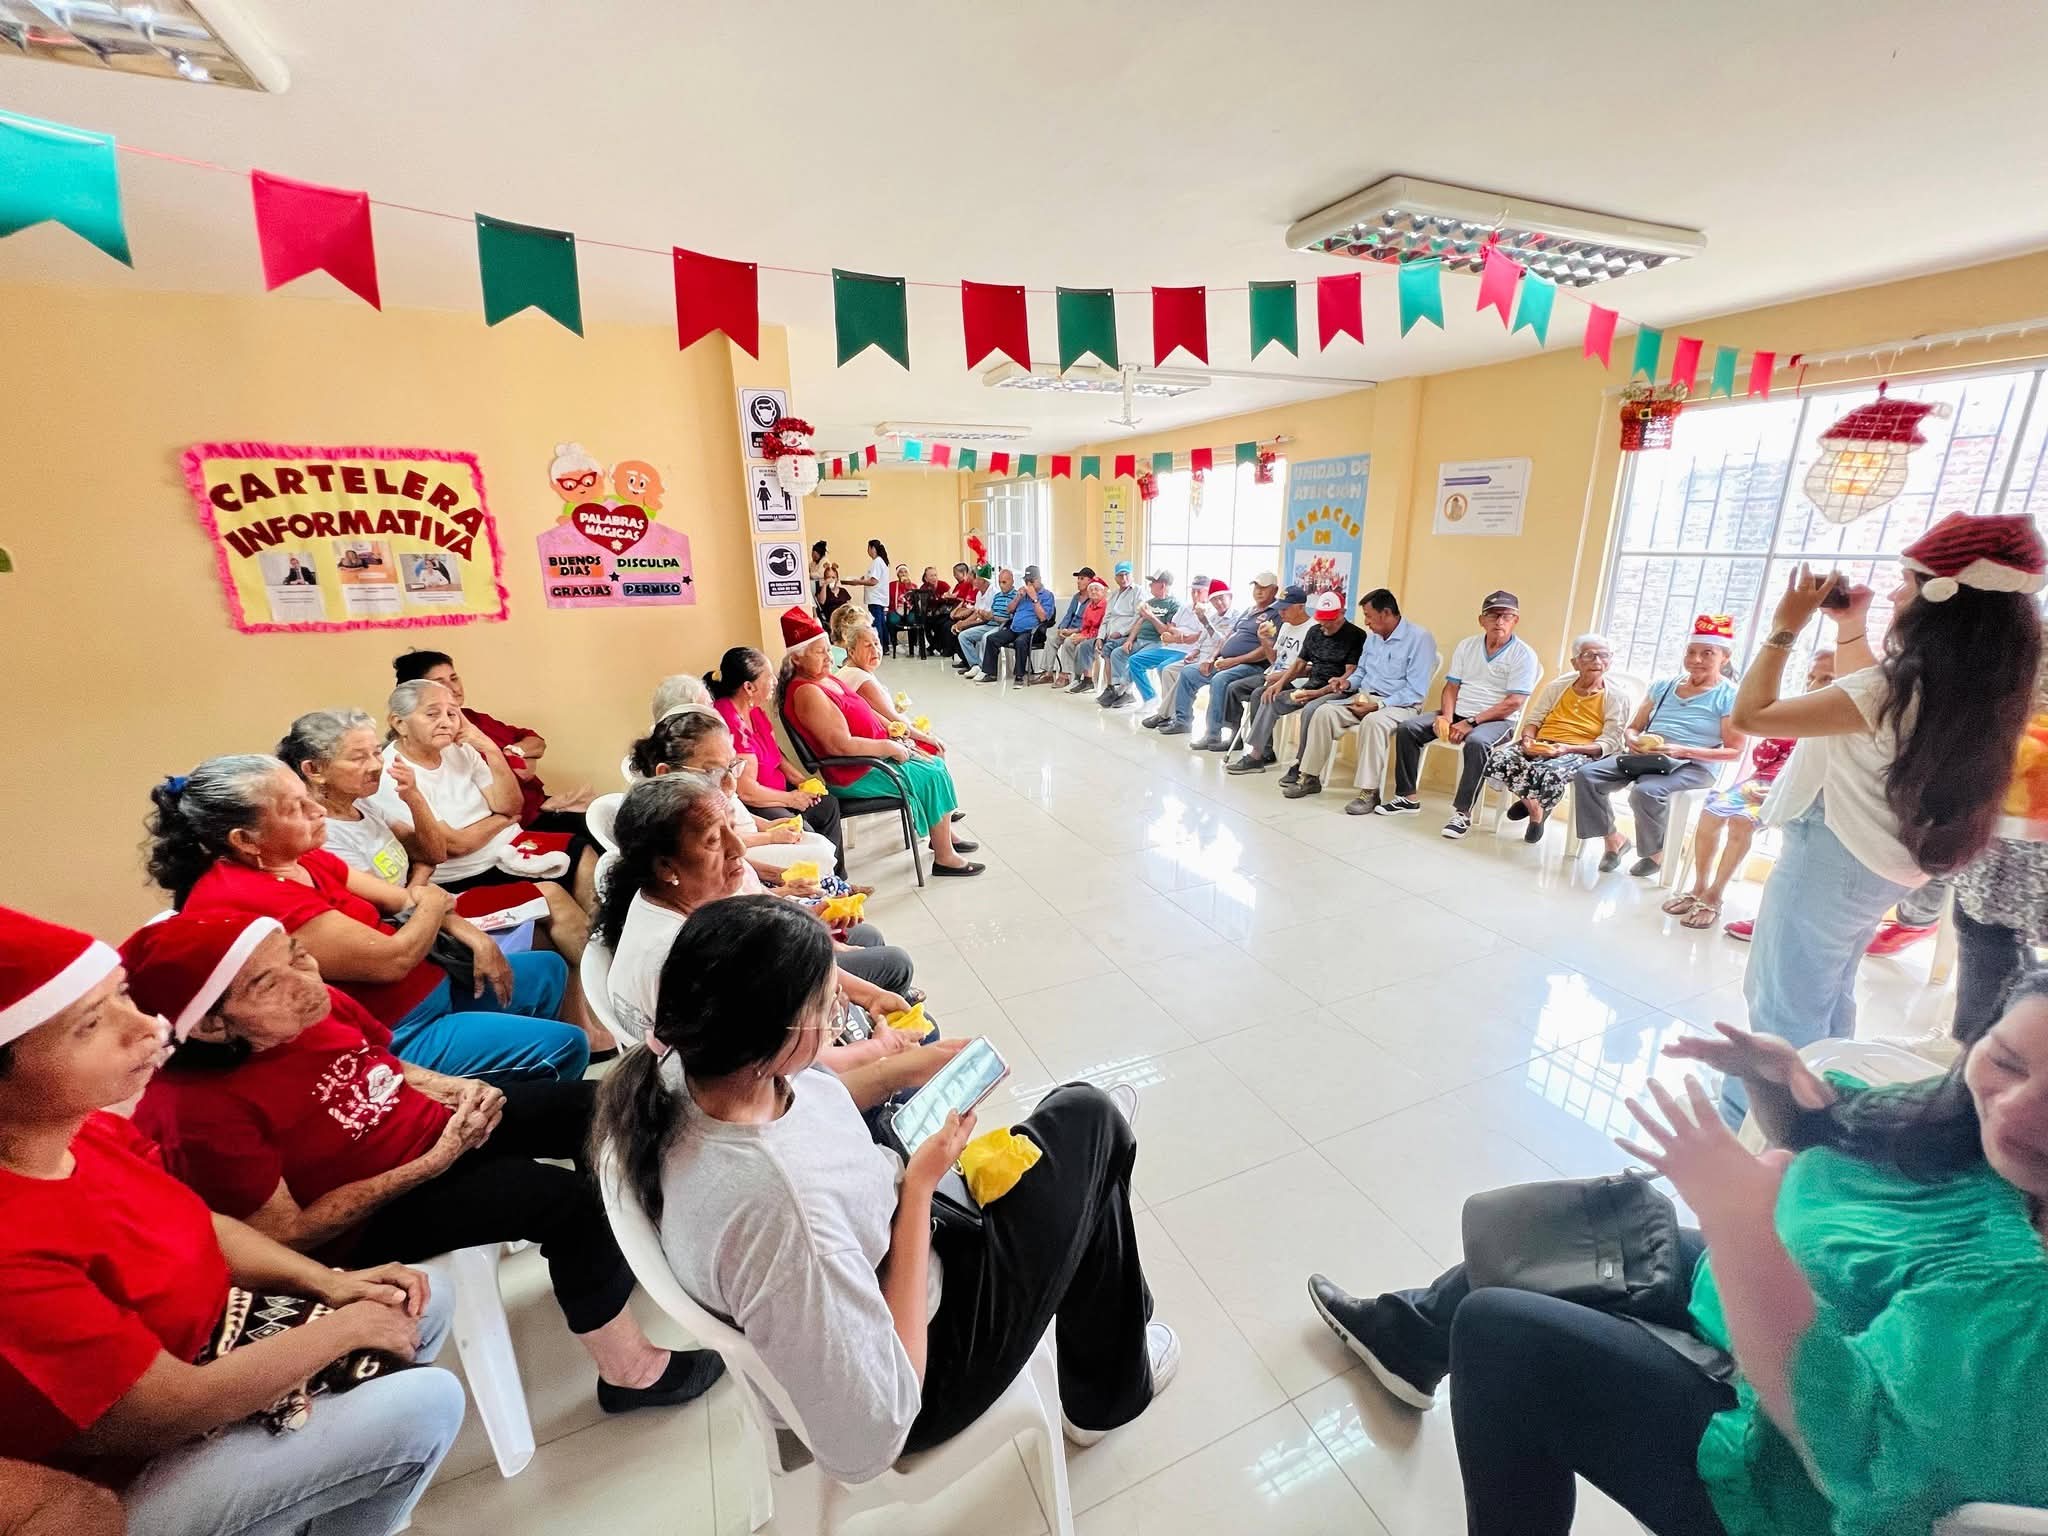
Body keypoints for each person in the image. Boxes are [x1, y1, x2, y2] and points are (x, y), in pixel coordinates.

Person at [1305, 988, 2048, 1536]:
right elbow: (1840, 1133)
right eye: (2007, 1061)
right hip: (1792, 1300)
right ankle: (1406, 1339)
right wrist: (1773, 1079)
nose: (2016, 1107)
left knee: (1501, 1334)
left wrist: (1741, 1229)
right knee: (1582, 1234)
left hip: (1786, 1474)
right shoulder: (1972, 1129)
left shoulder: (2019, 1304)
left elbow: (1863, 1467)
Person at [592, 894, 1181, 1481]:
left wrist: (906, 1068)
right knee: (1092, 1120)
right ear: (774, 1039)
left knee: (1082, 1144)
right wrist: (919, 1189)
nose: (839, 1017)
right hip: (926, 1364)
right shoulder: (786, 1218)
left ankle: (1116, 1321)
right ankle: (1109, 1394)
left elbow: (810, 1111)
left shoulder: (693, 1067)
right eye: (828, 1008)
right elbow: (875, 1434)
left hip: (885, 1249)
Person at [124, 914, 723, 1421]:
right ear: (211, 1024)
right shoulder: (195, 1111)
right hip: (371, 1215)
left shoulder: (310, 1005)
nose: (305, 978)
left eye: (297, 953)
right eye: (266, 982)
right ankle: (629, 1372)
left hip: (434, 1134)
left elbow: (387, 1065)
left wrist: (457, 1089)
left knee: (604, 1108)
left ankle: (637, 1253)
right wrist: (435, 1162)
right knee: (568, 1204)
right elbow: (289, 1234)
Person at [0, 904, 465, 1536]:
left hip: (205, 1339)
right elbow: (162, 1410)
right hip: (116, 1476)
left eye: (123, 996)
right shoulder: (12, 1246)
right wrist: (344, 1329)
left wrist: (329, 1284)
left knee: (415, 1301)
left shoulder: (88, 1133)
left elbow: (200, 1223)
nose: (145, 1026)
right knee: (424, 1403)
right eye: (90, 1025)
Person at [1728, 517, 2045, 1119]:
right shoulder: (1981, 681)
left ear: (1941, 598)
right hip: (1885, 858)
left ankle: (1763, 1133)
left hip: (1833, 857)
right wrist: (1851, 624)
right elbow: (1862, 697)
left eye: (1907, 583)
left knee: (1780, 1006)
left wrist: (1784, 628)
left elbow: (1751, 715)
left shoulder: (1893, 687)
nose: (1896, 595)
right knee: (1827, 993)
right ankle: (1825, 1112)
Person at [150, 754, 596, 1080]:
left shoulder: (297, 857)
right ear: (244, 840)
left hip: (431, 982)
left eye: (306, 798)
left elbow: (402, 898)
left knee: (547, 969)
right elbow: (393, 958)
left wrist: (473, 936)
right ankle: (517, 1110)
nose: (318, 811)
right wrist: (432, 903)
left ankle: (513, 1089)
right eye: (295, 809)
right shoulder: (252, 895)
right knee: (566, 1045)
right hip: (395, 1029)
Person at [594, 774, 922, 1045]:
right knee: (919, 1034)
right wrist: (877, 1053)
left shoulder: (681, 902)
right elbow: (766, 1071)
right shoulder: (693, 957)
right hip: (742, 1084)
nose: (738, 847)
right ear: (665, 867)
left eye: (731, 828)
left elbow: (774, 952)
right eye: (713, 840)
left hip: (762, 1057)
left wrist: (869, 995)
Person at [367, 678, 603, 918]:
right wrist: (501, 821)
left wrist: (489, 747)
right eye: (432, 714)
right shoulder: (393, 773)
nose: (446, 722)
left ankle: (606, 934)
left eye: (452, 713)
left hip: (509, 846)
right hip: (467, 872)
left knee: (582, 851)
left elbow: (511, 805)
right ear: (400, 723)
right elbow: (454, 845)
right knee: (550, 895)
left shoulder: (459, 748)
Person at [780, 608, 985, 877]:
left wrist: (895, 734)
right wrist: (890, 747)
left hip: (869, 759)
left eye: (829, 650)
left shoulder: (823, 679)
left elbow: (865, 710)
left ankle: (942, 842)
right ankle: (945, 857)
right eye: (820, 652)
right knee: (933, 773)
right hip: (854, 772)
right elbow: (840, 746)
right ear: (796, 658)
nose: (829, 657)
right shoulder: (808, 692)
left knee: (933, 763)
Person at [1661, 649, 1836, 929]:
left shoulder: (1844, 723)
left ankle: (1715, 895)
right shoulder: (1796, 713)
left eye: (1827, 679)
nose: (1813, 686)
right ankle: (1699, 887)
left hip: (1804, 793)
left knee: (1742, 821)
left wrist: (1783, 792)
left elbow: (1831, 775)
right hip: (1762, 781)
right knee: (1711, 812)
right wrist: (1777, 733)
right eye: (1810, 677)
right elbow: (1762, 759)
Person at [1574, 614, 1745, 873]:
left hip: (1694, 766)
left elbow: (1735, 752)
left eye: (1707, 653)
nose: (1696, 659)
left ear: (1725, 658)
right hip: (1648, 757)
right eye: (1691, 652)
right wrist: (1632, 739)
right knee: (1587, 775)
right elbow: (1634, 727)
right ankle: (1614, 840)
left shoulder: (1729, 695)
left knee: (1646, 791)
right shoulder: (1663, 686)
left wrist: (1683, 750)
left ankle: (1656, 855)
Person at [1384, 589, 1542, 837]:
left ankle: (1462, 813)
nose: (1499, 621)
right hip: (1459, 713)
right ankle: (1407, 797)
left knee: (1477, 743)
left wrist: (1471, 722)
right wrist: (1447, 717)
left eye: (1506, 616)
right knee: (1408, 728)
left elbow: (1514, 702)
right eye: (1493, 615)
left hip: (1497, 721)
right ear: (1482, 620)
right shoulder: (1467, 646)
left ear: (1515, 620)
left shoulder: (1524, 655)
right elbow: (1451, 687)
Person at [625, 708, 843, 881]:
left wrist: (768, 827)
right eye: (712, 771)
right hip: (745, 868)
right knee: (818, 853)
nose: (730, 784)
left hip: (749, 863)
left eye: (732, 767)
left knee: (817, 844)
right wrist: (771, 843)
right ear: (666, 773)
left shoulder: (713, 793)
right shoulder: (679, 821)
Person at [392, 650, 592, 835]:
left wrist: (512, 752)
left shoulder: (476, 719)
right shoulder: (438, 741)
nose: (453, 688)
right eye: (440, 683)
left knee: (602, 820)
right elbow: (499, 798)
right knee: (590, 837)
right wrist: (517, 764)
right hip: (518, 822)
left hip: (539, 805)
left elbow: (537, 743)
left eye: (454, 678)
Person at [1283, 588, 1438, 810]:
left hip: (1399, 705)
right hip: (1364, 698)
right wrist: (1346, 683)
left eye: (1368, 616)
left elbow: (1415, 690)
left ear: (1386, 613)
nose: (1366, 622)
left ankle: (1369, 792)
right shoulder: (1373, 638)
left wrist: (1379, 705)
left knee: (1373, 722)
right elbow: (1361, 672)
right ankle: (1309, 777)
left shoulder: (1419, 638)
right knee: (1323, 712)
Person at [704, 645, 847, 875]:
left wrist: (801, 782)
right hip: (757, 803)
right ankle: (817, 884)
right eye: (768, 677)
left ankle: (838, 879)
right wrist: (791, 799)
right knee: (804, 834)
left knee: (827, 805)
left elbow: (776, 755)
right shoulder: (728, 722)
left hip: (777, 791)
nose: (775, 681)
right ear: (749, 687)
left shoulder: (753, 710)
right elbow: (746, 791)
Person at [1474, 633, 1631, 841]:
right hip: (1542, 742)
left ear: (1610, 661)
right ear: (1575, 662)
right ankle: (1535, 806)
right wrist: (1528, 739)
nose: (1597, 661)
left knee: (1549, 772)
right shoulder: (1558, 686)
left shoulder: (1617, 697)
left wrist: (1567, 748)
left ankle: (1534, 814)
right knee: (1499, 759)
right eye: (1589, 655)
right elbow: (1534, 719)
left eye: (1603, 655)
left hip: (1580, 750)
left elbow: (1609, 742)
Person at [278, 707, 447, 895]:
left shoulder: (358, 801)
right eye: (358, 758)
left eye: (377, 753)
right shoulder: (319, 834)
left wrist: (414, 796)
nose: (376, 766)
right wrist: (422, 875)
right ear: (314, 769)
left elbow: (434, 854)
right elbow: (392, 902)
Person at [1228, 590, 1366, 775]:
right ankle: (1256, 756)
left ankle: (1301, 766)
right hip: (1311, 686)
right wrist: (1279, 684)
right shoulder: (1315, 631)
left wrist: (1318, 693)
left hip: (1337, 690)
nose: (1324, 624)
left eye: (1330, 620)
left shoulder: (1356, 635)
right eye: (1322, 619)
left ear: (1343, 613)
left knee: (1310, 710)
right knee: (1268, 697)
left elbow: (1350, 673)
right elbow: (1299, 663)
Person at [1168, 572, 1280, 744]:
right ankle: (1183, 721)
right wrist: (1212, 658)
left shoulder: (1277, 614)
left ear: (1275, 590)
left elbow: (1266, 650)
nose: (1259, 591)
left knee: (1219, 679)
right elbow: (1228, 636)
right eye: (1256, 587)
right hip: (1225, 661)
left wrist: (1234, 661)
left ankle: (1212, 734)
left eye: (1264, 588)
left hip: (1252, 665)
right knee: (1189, 672)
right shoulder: (1249, 610)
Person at [1208, 583, 1310, 752]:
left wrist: (1281, 677)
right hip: (1272, 674)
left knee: (1259, 694)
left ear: (1300, 607)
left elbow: (1308, 669)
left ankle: (1263, 750)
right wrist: (1264, 640)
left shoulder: (1311, 629)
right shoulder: (1285, 626)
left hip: (1294, 681)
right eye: (1280, 608)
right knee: (1233, 688)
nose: (1281, 613)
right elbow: (1274, 659)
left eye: (1285, 609)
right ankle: (1235, 737)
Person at [840, 619, 948, 757]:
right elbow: (893, 719)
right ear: (851, 652)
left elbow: (881, 712)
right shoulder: (860, 678)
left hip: (875, 737)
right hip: (873, 746)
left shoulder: (852, 669)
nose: (875, 650)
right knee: (936, 749)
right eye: (867, 646)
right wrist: (926, 738)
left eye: (876, 643)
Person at [1141, 580, 1232, 728]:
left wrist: (1205, 622)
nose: (1218, 603)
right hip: (1197, 656)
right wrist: (1195, 652)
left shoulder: (1233, 617)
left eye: (1221, 598)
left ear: (1230, 597)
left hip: (1214, 660)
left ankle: (1164, 714)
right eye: (1214, 599)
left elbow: (1223, 642)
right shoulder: (1212, 616)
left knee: (1185, 673)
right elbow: (1201, 640)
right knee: (1168, 670)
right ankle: (1172, 715)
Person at [1097, 568, 1180, 709]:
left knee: (1136, 659)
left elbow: (1166, 633)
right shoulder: (1150, 602)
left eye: (1152, 583)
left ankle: (1126, 690)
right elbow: (1139, 622)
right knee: (1117, 653)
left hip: (1157, 643)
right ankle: (1122, 690)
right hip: (1139, 640)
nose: (1150, 585)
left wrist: (1151, 617)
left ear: (1162, 585)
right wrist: (1129, 640)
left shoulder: (1173, 605)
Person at [1123, 573, 1208, 711]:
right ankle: (1150, 698)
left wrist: (1177, 637)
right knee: (1135, 660)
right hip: (1169, 648)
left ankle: (1168, 709)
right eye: (1193, 591)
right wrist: (1177, 633)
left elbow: (1198, 637)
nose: (1195, 595)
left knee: (1164, 667)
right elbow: (1171, 626)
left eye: (1199, 591)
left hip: (1188, 651)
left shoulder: (1207, 611)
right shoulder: (1185, 607)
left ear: (1207, 593)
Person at [979, 566, 1056, 684]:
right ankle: (991, 673)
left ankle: (1019, 675)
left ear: (1039, 579)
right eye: (1026, 581)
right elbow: (1009, 610)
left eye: (1031, 581)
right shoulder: (1023, 595)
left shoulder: (1047, 595)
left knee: (1020, 642)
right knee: (992, 639)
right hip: (1015, 628)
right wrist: (1018, 597)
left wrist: (1034, 599)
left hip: (1033, 631)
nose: (1028, 584)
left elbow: (1043, 617)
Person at [1080, 562, 1142, 700]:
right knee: (1089, 646)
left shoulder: (1138, 592)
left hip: (1128, 635)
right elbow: (1106, 618)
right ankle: (1106, 686)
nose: (1124, 578)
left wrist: (1121, 632)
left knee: (1109, 649)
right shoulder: (1114, 595)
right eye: (1120, 575)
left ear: (1132, 575)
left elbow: (1139, 617)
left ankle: (1118, 689)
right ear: (1115, 578)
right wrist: (1100, 637)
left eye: (1126, 574)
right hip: (1109, 635)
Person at [1046, 567, 1097, 687]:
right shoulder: (1076, 597)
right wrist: (1061, 628)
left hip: (1081, 631)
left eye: (1082, 578)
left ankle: (1065, 675)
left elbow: (1089, 623)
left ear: (1090, 581)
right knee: (1052, 639)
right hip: (1069, 629)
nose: (1078, 581)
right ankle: (1047, 673)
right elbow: (1068, 615)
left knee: (1068, 641)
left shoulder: (1093, 599)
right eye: (1078, 578)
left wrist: (1073, 631)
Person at [1054, 578, 1109, 687]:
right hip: (1088, 635)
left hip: (1100, 638)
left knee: (1080, 646)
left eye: (1096, 589)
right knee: (1068, 642)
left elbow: (1103, 629)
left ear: (1103, 592)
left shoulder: (1106, 606)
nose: (1093, 592)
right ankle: (1072, 675)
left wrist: (1085, 637)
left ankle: (1082, 678)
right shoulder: (1089, 606)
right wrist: (1080, 635)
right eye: (1091, 590)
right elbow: (1085, 626)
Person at [854, 538, 891, 635]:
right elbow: (872, 577)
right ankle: (884, 643)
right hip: (878, 598)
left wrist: (858, 582)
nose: (867, 551)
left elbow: (873, 581)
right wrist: (863, 578)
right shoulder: (880, 561)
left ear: (873, 548)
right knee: (881, 623)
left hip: (875, 598)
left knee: (876, 624)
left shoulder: (877, 561)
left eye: (868, 548)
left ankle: (879, 642)